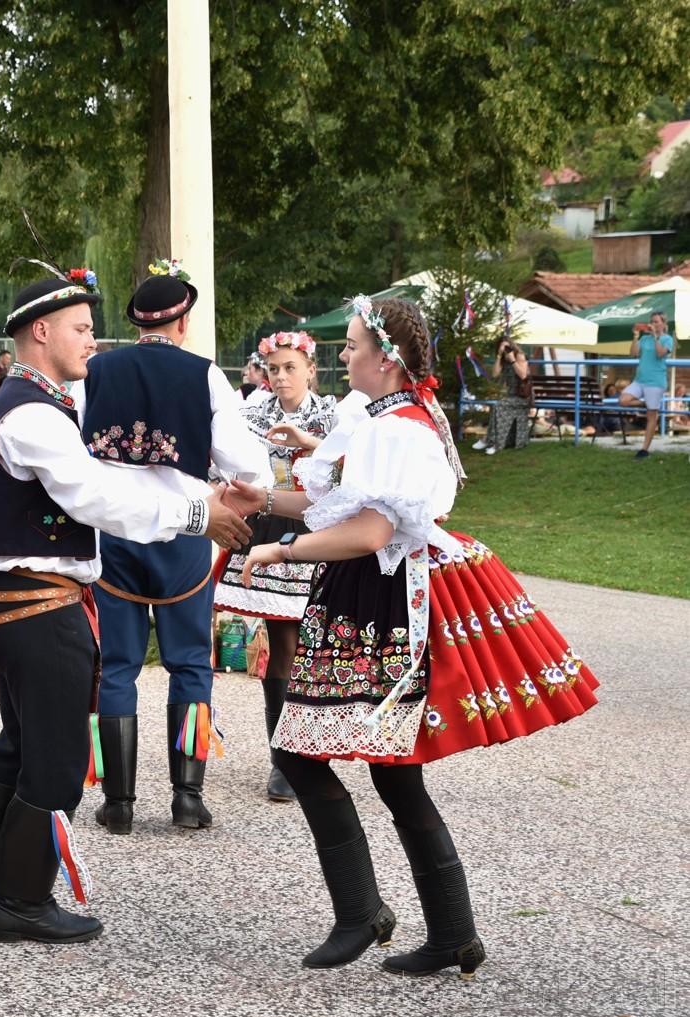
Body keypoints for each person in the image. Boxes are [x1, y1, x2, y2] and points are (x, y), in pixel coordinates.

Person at [236, 296, 598, 978]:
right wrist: (259, 500)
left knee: (310, 755)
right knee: (383, 769)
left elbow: (370, 532)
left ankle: (365, 913)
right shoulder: (385, 416)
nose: (344, 357)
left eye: (351, 346)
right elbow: (335, 504)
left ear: (387, 358)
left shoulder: (395, 428)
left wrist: (281, 550)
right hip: (372, 595)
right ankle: (447, 932)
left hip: (380, 602)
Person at [0, 270, 255, 945]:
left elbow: (103, 484)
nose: (92, 340)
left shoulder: (31, 401)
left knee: (17, 751)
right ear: (41, 331)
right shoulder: (31, 412)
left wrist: (192, 504)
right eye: (81, 329)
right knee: (54, 762)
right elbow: (96, 496)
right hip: (34, 608)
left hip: (20, 601)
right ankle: (21, 902)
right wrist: (196, 514)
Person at [81, 258, 270, 835]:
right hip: (186, 532)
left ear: (137, 322)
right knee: (190, 663)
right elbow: (249, 468)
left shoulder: (96, 370)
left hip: (117, 533)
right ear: (182, 322)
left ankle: (118, 802)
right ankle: (188, 798)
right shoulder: (205, 375)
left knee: (117, 666)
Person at [211, 329, 338, 803]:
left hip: (323, 532)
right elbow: (223, 464)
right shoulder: (251, 414)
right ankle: (284, 760)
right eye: (273, 369)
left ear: (311, 370)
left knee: (322, 642)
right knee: (283, 641)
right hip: (270, 531)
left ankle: (317, 749)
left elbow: (348, 470)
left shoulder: (333, 416)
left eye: (290, 368)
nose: (281, 377)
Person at [618, 312, 674, 459]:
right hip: (639, 380)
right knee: (623, 400)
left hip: (655, 382)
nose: (653, 324)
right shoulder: (644, 339)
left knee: (651, 416)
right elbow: (633, 353)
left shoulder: (667, 339)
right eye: (651, 321)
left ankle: (644, 450)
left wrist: (656, 336)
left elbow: (660, 354)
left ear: (663, 324)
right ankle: (644, 403)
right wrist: (636, 336)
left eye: (656, 322)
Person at [482, 336, 531, 454]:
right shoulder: (503, 360)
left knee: (499, 406)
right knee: (497, 406)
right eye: (502, 348)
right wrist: (499, 356)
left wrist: (513, 360)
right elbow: (495, 374)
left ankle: (494, 443)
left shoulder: (519, 356)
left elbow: (523, 375)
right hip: (510, 397)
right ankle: (490, 441)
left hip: (522, 397)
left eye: (506, 347)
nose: (505, 350)